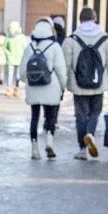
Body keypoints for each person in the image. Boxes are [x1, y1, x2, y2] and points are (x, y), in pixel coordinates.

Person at [65, 6, 108, 159]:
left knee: (81, 116)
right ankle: (90, 134)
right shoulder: (105, 39)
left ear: (80, 20)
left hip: (79, 85)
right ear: (94, 19)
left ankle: (83, 149)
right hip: (98, 84)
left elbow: (66, 65)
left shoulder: (71, 39)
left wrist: (65, 85)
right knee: (94, 114)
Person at [22, 19, 68, 158]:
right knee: (50, 116)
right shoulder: (55, 47)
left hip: (34, 85)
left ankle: (34, 149)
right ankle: (49, 141)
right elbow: (61, 69)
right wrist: (63, 85)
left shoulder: (30, 47)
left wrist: (27, 81)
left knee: (34, 118)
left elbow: (22, 71)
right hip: (51, 85)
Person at [0, 21, 29, 98]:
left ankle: (12, 89)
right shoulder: (19, 37)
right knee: (14, 75)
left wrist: (8, 54)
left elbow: (5, 48)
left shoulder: (12, 37)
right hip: (16, 59)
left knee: (13, 75)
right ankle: (14, 89)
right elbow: (25, 48)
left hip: (14, 59)